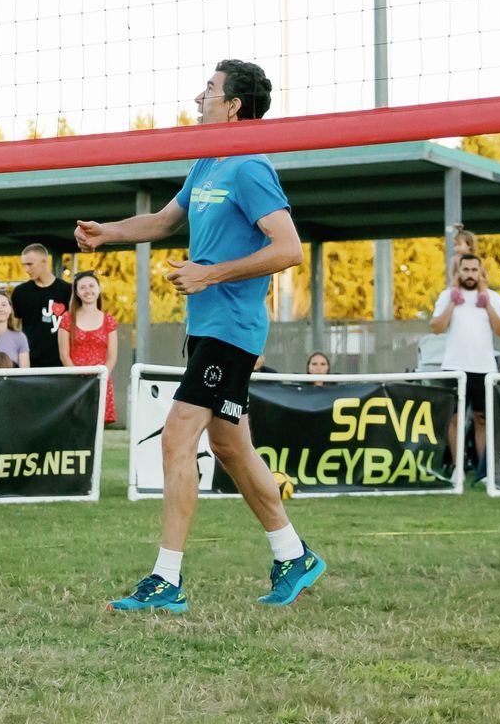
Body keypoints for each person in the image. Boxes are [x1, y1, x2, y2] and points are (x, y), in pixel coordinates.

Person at [77, 60, 318, 611]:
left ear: (234, 105)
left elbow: (289, 249)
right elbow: (164, 221)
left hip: (233, 330)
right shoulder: (210, 161)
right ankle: (293, 555)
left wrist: (210, 273)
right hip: (206, 325)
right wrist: (107, 233)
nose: (199, 97)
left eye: (209, 90)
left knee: (176, 437)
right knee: (231, 446)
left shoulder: (251, 166)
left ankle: (166, 580)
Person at [430, 252, 500, 479]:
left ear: (481, 272)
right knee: (454, 419)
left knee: (482, 420)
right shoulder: (447, 296)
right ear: (458, 271)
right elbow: (436, 328)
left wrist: (487, 305)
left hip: (484, 368)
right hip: (454, 366)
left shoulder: (493, 297)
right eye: (466, 269)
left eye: (475, 270)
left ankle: (484, 472)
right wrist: (452, 303)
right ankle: (457, 469)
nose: (470, 274)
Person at [58, 270, 117, 425]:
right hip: (75, 381)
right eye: (82, 287)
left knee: (97, 427)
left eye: (91, 286)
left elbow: (111, 357)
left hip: (100, 380)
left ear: (98, 288)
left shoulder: (109, 320)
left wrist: (101, 377)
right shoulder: (67, 319)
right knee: (75, 425)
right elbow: (64, 355)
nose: (88, 291)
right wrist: (77, 377)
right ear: (76, 292)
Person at [10, 244, 69, 370]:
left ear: (44, 262)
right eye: (24, 265)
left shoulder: (67, 290)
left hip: (61, 364)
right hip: (28, 364)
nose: (26, 269)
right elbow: (13, 328)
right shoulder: (20, 292)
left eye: (30, 264)